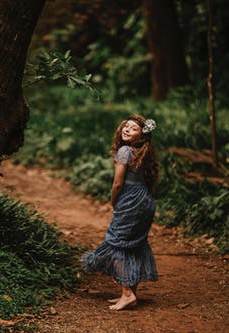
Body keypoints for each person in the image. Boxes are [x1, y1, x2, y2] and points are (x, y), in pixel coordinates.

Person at [81, 114, 159, 310]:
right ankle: (131, 293)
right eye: (126, 126)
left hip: (130, 199)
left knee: (117, 242)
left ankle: (127, 294)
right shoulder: (144, 151)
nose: (127, 129)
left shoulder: (124, 151)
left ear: (141, 136)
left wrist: (114, 201)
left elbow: (118, 183)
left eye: (133, 129)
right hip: (145, 200)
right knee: (134, 244)